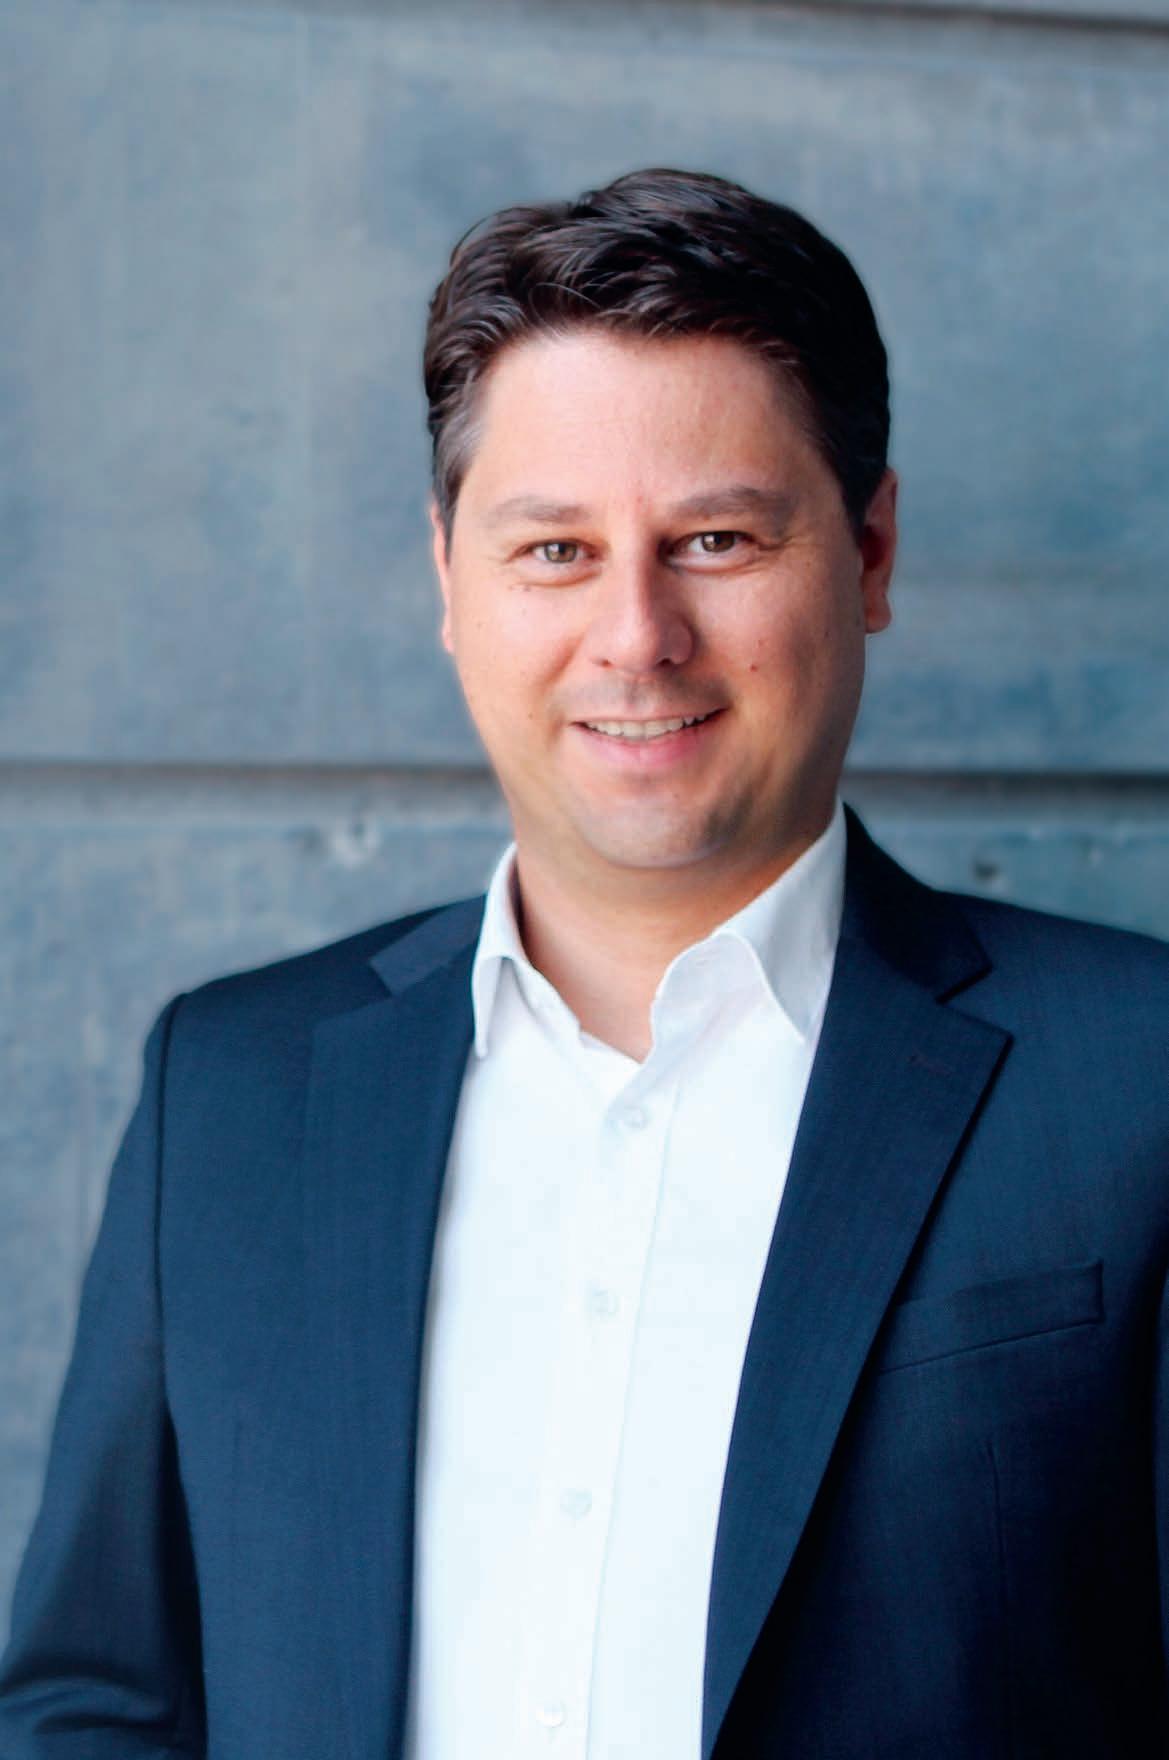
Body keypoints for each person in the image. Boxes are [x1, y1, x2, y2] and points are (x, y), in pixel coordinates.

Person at [0, 166, 1166, 1760]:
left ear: (871, 552)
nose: (635, 634)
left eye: (715, 538)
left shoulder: (1133, 1082)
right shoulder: (232, 1089)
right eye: (553, 549)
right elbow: (97, 1701)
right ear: (449, 579)